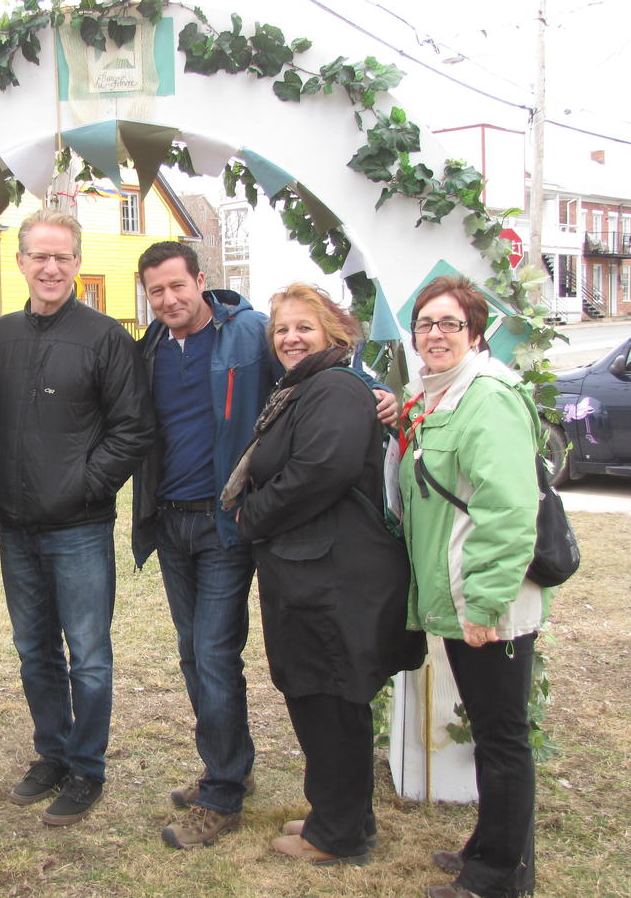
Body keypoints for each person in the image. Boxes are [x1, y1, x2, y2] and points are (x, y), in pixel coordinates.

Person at [132, 244, 399, 850]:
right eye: (156, 291)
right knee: (193, 655)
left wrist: (375, 388)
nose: (169, 299)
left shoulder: (250, 333)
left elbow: (321, 365)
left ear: (201, 281)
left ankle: (223, 793)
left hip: (226, 523)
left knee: (214, 652)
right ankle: (228, 764)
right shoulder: (149, 347)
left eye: (177, 286)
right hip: (170, 521)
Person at [222, 283, 416, 867]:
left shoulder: (333, 387)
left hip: (330, 578)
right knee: (327, 700)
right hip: (313, 571)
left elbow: (320, 471)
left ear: (333, 333)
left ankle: (337, 836)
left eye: (304, 326)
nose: (290, 338)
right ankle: (346, 815)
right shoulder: (306, 388)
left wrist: (250, 514)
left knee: (328, 699)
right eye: (281, 329)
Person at [0, 209, 155, 826]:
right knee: (34, 651)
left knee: (89, 655)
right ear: (21, 261)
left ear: (77, 263)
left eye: (62, 257)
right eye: (39, 256)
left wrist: (84, 486)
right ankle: (51, 753)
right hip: (17, 526)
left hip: (79, 528)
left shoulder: (105, 338)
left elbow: (132, 429)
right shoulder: (0, 337)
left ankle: (86, 768)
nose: (50, 268)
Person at [397, 275, 546, 898]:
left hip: (490, 600)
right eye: (425, 324)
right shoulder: (439, 396)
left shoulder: (489, 397)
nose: (435, 334)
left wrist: (485, 603)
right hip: (464, 596)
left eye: (450, 323)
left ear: (475, 332)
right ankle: (487, 847)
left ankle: (498, 875)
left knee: (502, 737)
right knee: (489, 729)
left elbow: (508, 510)